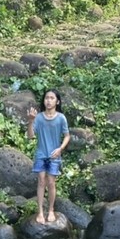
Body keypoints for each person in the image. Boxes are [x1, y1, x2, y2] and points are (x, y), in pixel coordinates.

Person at [26, 89, 70, 224]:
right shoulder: (38, 117)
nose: (48, 100)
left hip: (54, 155)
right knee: (41, 181)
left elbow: (67, 136)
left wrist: (60, 149)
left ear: (57, 101)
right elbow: (30, 136)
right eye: (46, 98)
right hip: (40, 154)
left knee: (51, 182)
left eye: (51, 98)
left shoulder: (61, 118)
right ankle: (40, 212)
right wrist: (31, 121)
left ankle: (51, 210)